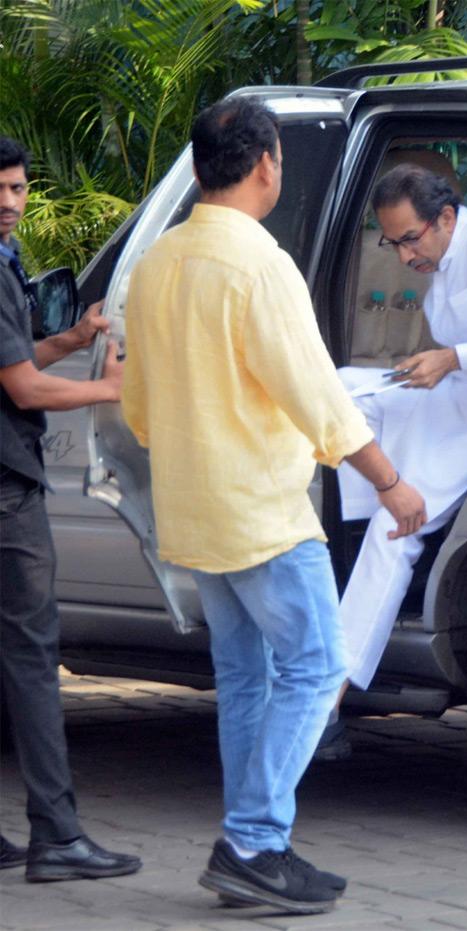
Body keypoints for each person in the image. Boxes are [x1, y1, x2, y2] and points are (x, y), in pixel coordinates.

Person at [121, 99, 426, 915]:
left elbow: (139, 408)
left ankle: (255, 846)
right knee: (317, 664)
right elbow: (318, 396)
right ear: (267, 165)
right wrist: (389, 480)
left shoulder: (156, 264)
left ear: (198, 170)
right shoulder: (260, 265)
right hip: (260, 510)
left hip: (194, 510)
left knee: (245, 676)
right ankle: (253, 840)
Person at [318, 163, 467, 757]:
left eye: (409, 239)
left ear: (446, 217)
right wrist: (450, 364)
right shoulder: (441, 252)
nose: (404, 257)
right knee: (342, 391)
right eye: (392, 243)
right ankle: (342, 537)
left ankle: (325, 702)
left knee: (397, 525)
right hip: (463, 387)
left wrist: (454, 359)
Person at [0, 137, 142, 880]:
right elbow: (23, 389)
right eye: (0, 190)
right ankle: (57, 836)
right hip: (7, 491)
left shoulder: (7, 261)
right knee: (31, 657)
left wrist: (73, 339)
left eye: (19, 188)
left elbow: (16, 363)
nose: (10, 203)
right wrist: (107, 389)